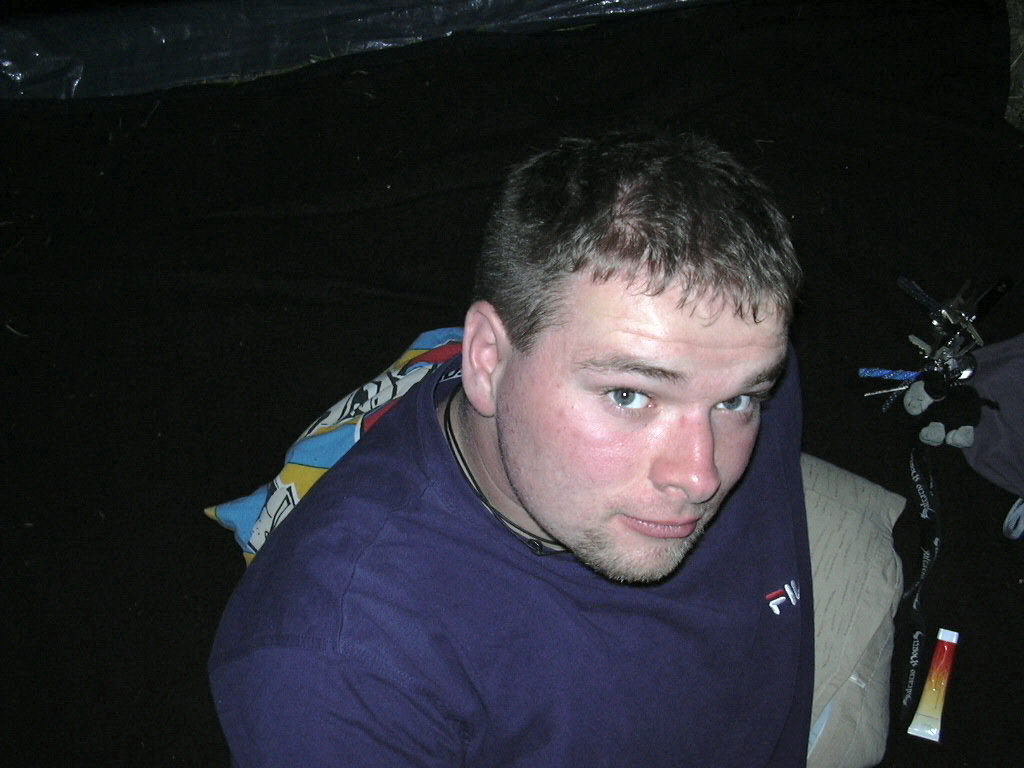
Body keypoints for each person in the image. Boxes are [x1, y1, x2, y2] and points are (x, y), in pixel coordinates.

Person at [209, 131, 813, 766]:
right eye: (630, 395)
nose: (700, 475)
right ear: (487, 361)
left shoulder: (729, 350)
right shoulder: (337, 673)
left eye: (737, 402)